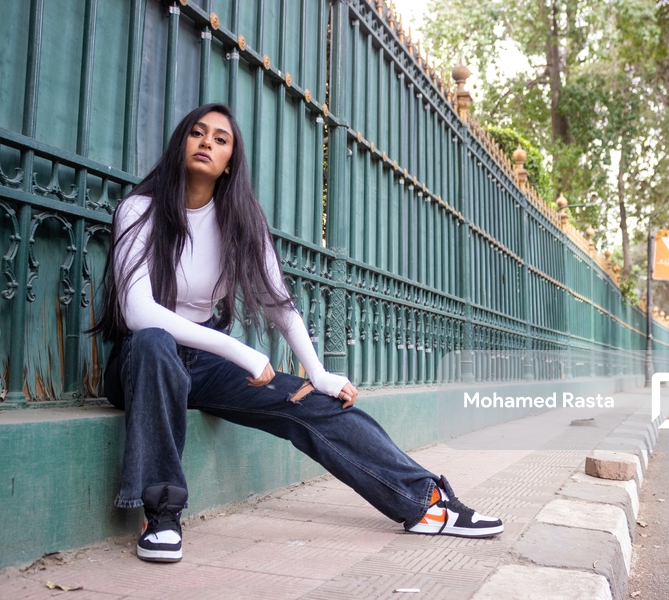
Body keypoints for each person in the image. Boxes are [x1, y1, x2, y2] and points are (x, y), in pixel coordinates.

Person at [96, 104, 504, 563]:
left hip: (205, 365)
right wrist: (242, 353)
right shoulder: (139, 209)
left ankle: (424, 502)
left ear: (230, 160)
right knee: (154, 341)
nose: (207, 142)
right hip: (142, 363)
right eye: (197, 133)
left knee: (314, 404)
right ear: (182, 144)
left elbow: (278, 303)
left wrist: (318, 372)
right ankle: (162, 516)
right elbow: (137, 311)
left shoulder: (241, 220)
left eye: (220, 139)